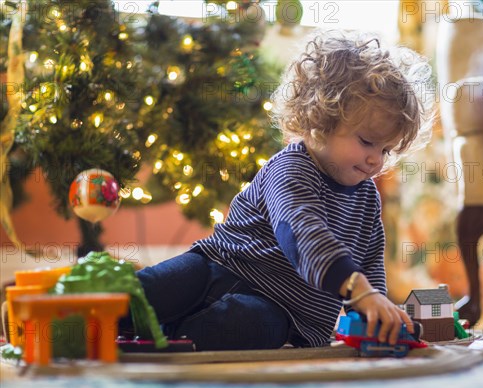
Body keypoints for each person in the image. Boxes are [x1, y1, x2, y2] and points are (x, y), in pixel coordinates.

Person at [126, 30, 434, 350]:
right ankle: (88, 314)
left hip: (286, 313)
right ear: (319, 121)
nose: (375, 159)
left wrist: (376, 307)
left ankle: (171, 337)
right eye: (367, 142)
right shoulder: (292, 168)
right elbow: (303, 233)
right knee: (156, 288)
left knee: (250, 326)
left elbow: (368, 260)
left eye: (386, 150)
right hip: (219, 267)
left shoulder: (367, 197)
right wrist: (360, 290)